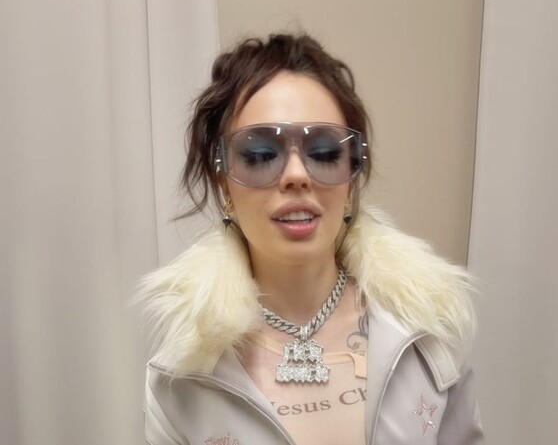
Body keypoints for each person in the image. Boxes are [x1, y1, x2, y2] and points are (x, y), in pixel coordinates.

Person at [140, 33, 484, 445]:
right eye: (260, 154)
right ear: (223, 182)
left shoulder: (428, 334)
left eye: (323, 152)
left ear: (352, 174)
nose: (296, 175)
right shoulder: (180, 376)